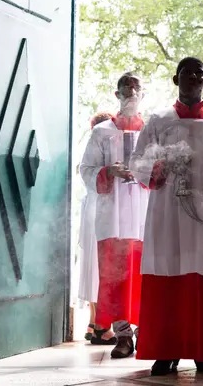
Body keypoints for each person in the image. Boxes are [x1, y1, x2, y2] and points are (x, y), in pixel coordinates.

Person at [130, 57, 203, 376]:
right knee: (169, 276)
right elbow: (137, 161)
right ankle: (165, 351)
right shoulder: (158, 120)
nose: (193, 77)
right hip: (168, 215)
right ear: (175, 79)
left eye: (200, 73)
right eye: (186, 72)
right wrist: (156, 169)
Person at [80, 72, 149, 358]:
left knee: (146, 275)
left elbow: (164, 168)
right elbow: (85, 170)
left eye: (136, 88)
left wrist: (145, 171)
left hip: (145, 215)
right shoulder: (102, 132)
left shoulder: (151, 130)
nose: (131, 92)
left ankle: (146, 333)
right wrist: (109, 171)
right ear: (117, 94)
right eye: (126, 88)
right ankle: (123, 336)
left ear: (143, 93)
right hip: (113, 217)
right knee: (116, 277)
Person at [78, 112, 113, 342]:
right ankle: (99, 323)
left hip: (91, 207)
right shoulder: (104, 147)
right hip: (99, 208)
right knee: (98, 267)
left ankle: (94, 322)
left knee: (92, 266)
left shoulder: (91, 152)